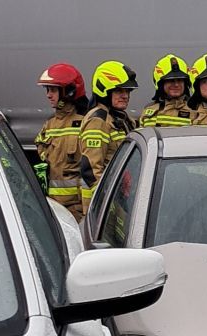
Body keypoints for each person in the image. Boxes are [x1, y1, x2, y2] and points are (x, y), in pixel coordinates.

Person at [79, 61, 138, 212]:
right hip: (105, 206)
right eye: (119, 91)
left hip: (119, 199)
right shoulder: (98, 121)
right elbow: (91, 169)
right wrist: (104, 204)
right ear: (104, 90)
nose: (125, 96)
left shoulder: (123, 119)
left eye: (127, 91)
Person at [35, 62, 87, 220]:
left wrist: (87, 211)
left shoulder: (86, 123)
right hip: (52, 208)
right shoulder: (49, 125)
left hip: (76, 211)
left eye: (53, 90)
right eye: (47, 90)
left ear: (68, 92)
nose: (48, 95)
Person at [139, 54, 193, 128]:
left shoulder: (195, 110)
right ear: (161, 84)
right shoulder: (149, 111)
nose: (176, 84)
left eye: (180, 80)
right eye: (171, 80)